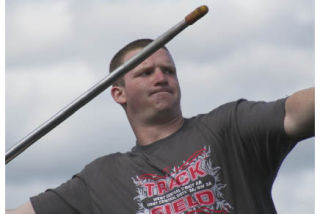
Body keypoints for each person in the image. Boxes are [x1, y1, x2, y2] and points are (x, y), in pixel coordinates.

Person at [6, 39, 314, 214]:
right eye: (146, 72)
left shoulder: (228, 128)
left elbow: (296, 114)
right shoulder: (100, 179)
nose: (161, 77)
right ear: (118, 93)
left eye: (169, 70)